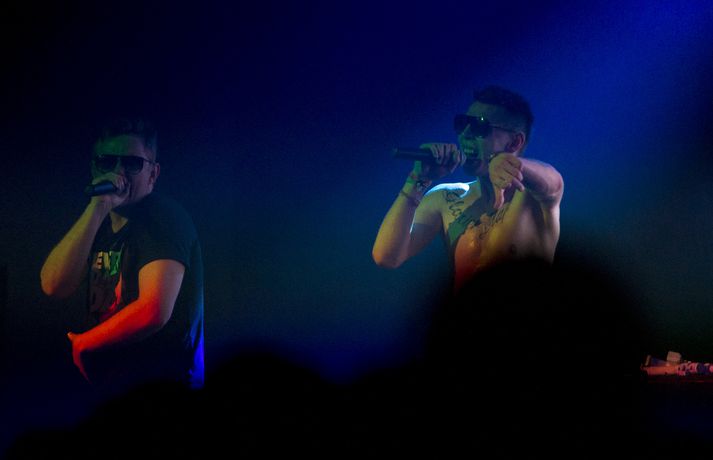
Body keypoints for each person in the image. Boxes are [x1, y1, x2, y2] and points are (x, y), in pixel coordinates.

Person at [40, 118, 204, 391]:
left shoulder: (164, 218)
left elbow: (153, 311)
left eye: (132, 164)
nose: (118, 172)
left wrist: (84, 343)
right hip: (112, 386)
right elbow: (54, 285)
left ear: (153, 174)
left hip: (162, 387)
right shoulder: (98, 221)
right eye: (107, 162)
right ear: (94, 167)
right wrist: (96, 208)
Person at [372, 85, 563, 291]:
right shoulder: (445, 197)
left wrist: (513, 165)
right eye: (462, 124)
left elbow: (554, 183)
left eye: (479, 126)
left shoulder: (532, 197)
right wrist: (418, 179)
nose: (465, 134)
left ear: (514, 142)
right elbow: (386, 256)